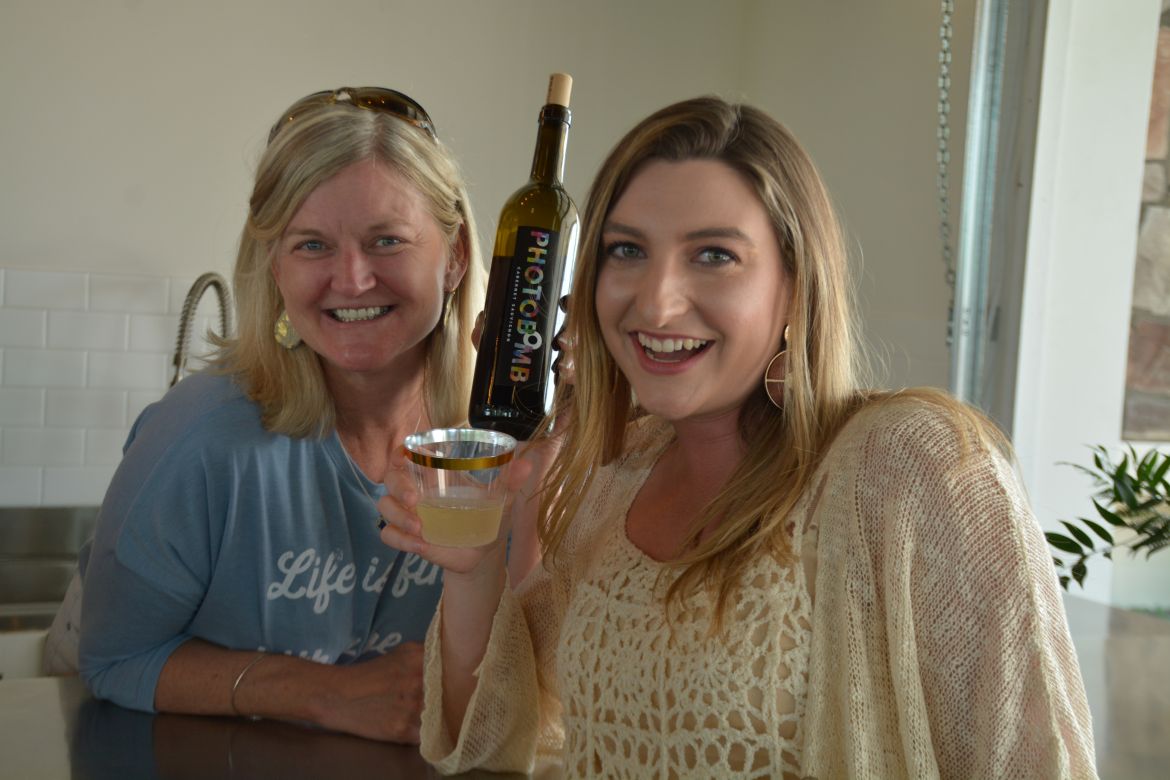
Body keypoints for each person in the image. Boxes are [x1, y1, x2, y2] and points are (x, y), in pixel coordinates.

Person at [379, 96, 1098, 776]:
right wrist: (473, 570)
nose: (656, 302)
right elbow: (494, 743)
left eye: (714, 255)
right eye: (626, 251)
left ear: (796, 283)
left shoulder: (913, 465)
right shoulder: (610, 484)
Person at [77, 86, 498, 743]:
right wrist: (321, 694)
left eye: (387, 240)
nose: (352, 280)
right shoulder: (198, 439)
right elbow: (114, 659)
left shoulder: (500, 449)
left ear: (457, 256)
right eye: (311, 245)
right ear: (273, 265)